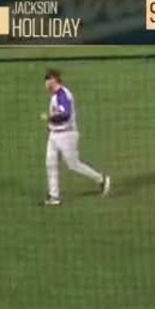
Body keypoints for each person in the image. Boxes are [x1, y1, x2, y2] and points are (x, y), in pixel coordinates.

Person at [41, 69, 111, 206]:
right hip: (54, 135)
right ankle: (54, 197)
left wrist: (49, 118)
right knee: (50, 163)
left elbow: (65, 115)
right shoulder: (56, 95)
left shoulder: (63, 95)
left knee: (73, 164)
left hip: (67, 135)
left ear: (53, 80)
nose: (45, 84)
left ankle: (101, 179)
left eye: (47, 81)